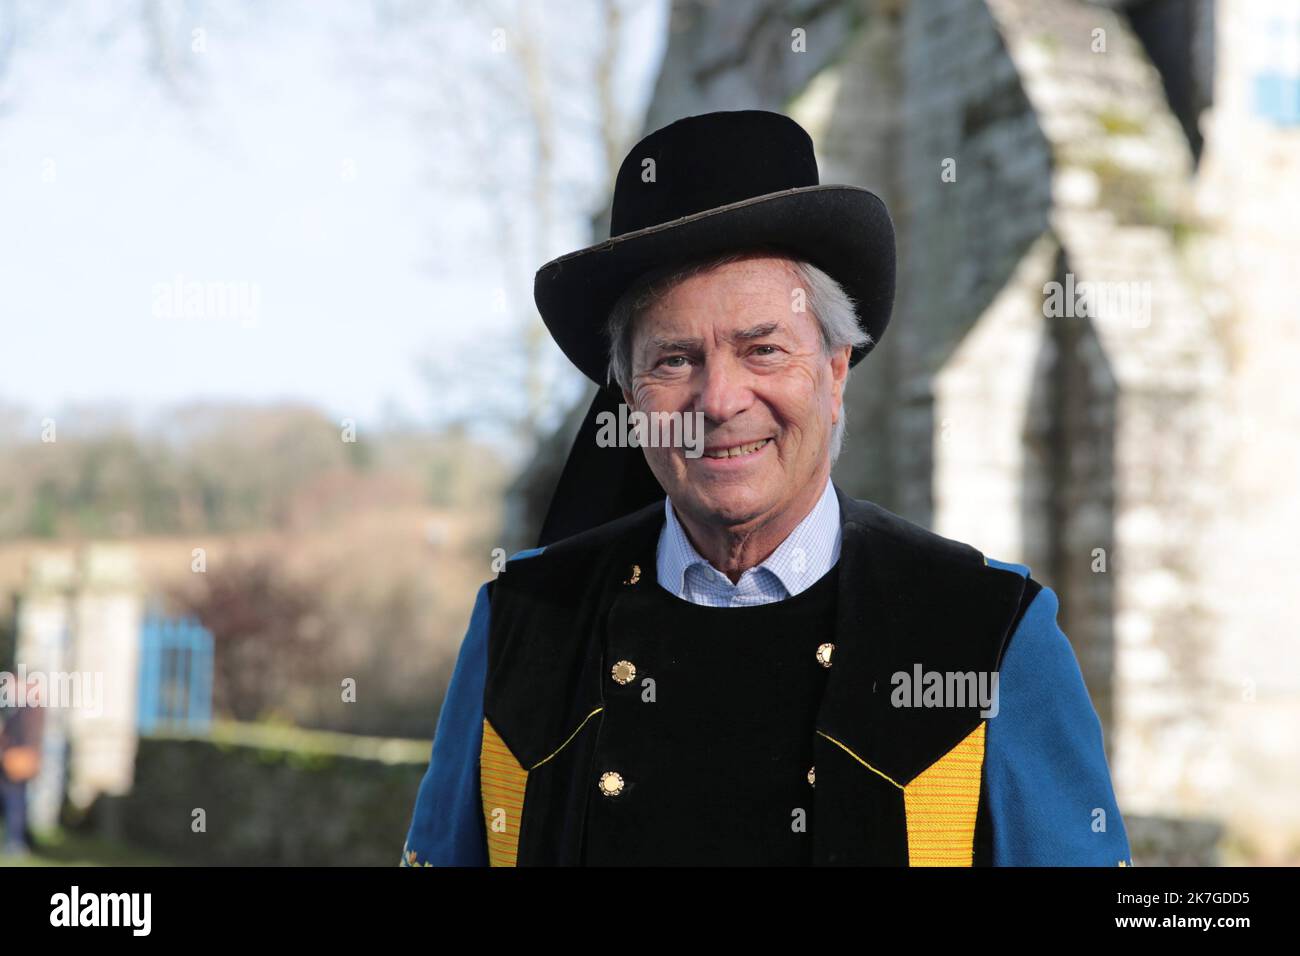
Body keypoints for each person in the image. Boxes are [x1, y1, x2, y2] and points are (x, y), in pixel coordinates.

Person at [400, 110, 1132, 866]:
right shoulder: (519, 627)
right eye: (674, 360)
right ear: (626, 393)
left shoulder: (987, 631)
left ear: (835, 367)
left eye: (764, 349)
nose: (719, 401)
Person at [0, 675, 46, 857]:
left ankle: (17, 842)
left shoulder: (32, 708)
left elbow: (28, 736)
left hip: (18, 759)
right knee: (15, 801)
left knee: (16, 802)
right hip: (13, 759)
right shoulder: (19, 707)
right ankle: (20, 840)